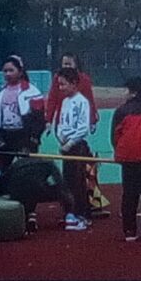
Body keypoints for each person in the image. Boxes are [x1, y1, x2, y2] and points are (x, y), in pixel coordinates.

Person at [111, 76, 141, 241]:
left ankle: (129, 231)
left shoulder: (121, 111)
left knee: (129, 195)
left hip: (129, 159)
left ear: (133, 92)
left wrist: (120, 152)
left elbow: (115, 136)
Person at [52, 67, 94, 232]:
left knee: (78, 181)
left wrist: (70, 142)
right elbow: (61, 122)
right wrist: (61, 138)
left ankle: (83, 215)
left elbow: (83, 127)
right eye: (59, 85)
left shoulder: (82, 101)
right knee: (68, 180)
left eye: (63, 84)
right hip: (66, 146)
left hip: (77, 146)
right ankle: (70, 212)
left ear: (74, 84)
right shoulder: (64, 102)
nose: (60, 88)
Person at [0, 55, 47, 154]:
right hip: (5, 137)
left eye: (11, 70)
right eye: (5, 71)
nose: (8, 74)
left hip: (25, 138)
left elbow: (39, 119)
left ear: (20, 72)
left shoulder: (32, 92)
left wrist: (34, 138)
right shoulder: (1, 93)